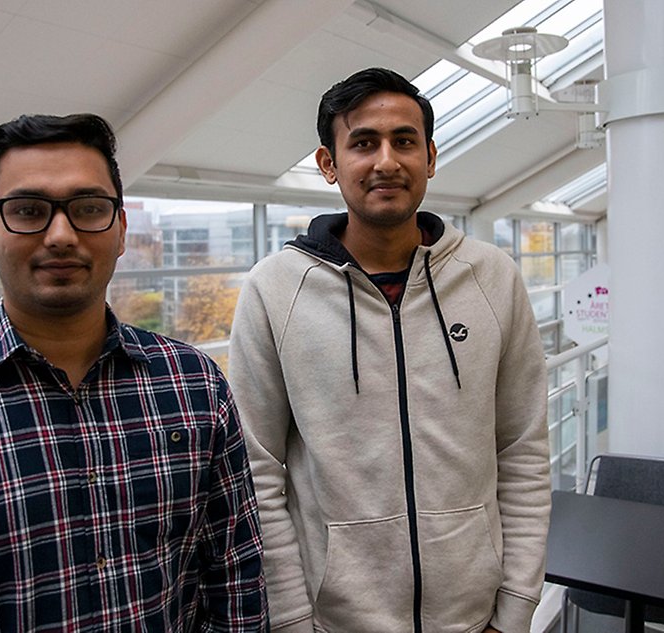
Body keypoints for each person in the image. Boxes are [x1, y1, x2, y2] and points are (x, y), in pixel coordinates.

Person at [0, 113, 268, 631]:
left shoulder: (194, 385)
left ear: (120, 230)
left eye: (89, 209)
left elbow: (235, 579)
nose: (61, 235)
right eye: (29, 210)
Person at [228, 67, 551, 633]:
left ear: (429, 155)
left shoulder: (491, 278)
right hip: (335, 620)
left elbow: (522, 451)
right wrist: (292, 619)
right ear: (329, 164)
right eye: (362, 143)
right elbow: (258, 471)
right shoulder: (275, 289)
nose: (386, 161)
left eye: (404, 141)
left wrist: (516, 606)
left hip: (475, 617)